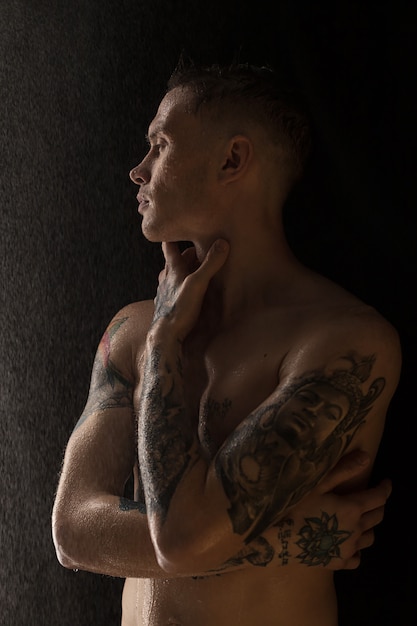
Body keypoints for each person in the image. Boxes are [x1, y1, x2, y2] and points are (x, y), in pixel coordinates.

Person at [52, 62, 401, 626]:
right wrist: (285, 542)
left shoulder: (346, 343)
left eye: (159, 145)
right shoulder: (131, 329)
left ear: (233, 160)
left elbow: (186, 540)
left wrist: (167, 347)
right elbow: (72, 530)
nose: (137, 171)